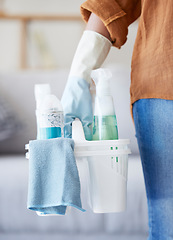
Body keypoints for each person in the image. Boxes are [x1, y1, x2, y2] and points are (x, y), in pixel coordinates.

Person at [61, 1, 173, 239]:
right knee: (168, 224)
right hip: (163, 84)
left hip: (161, 84)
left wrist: (80, 75)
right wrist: (79, 75)